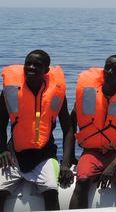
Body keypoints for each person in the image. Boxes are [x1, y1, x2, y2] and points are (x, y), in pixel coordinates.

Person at [0, 50, 74, 211]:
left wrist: (66, 164)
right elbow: (0, 123)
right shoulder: (10, 91)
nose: (31, 67)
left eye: (37, 65)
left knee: (51, 194)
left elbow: (68, 129)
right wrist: (3, 150)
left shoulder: (56, 93)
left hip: (44, 155)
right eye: (28, 63)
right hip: (14, 154)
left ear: (46, 71)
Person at [69, 55, 116, 208]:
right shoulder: (86, 95)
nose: (109, 71)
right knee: (82, 181)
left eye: (115, 69)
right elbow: (70, 127)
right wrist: (68, 159)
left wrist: (114, 165)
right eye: (107, 67)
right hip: (91, 152)